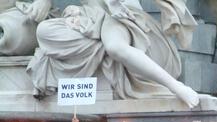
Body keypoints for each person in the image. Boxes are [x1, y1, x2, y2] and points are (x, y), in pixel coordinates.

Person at [27, 0, 199, 108]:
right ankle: (97, 45)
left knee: (115, 47)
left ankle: (176, 86)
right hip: (89, 17)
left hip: (122, 14)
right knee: (44, 30)